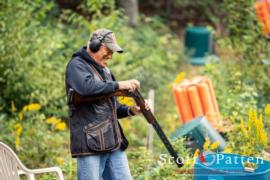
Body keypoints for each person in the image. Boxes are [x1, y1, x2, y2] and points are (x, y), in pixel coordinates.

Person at [65, 28, 149, 180]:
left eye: (112, 51)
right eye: (108, 50)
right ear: (95, 45)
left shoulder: (106, 72)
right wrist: (119, 85)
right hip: (90, 143)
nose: (110, 55)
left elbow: (113, 108)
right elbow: (87, 89)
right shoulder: (76, 65)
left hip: (113, 142)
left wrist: (132, 110)